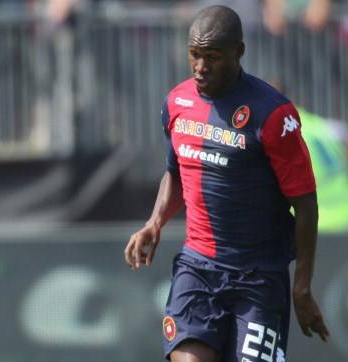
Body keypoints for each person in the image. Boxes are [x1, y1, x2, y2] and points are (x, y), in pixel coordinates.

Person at [124, 5, 329, 362]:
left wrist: (302, 285)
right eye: (195, 55)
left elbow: (306, 203)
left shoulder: (272, 114)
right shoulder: (177, 102)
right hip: (198, 269)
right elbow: (176, 171)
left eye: (212, 57)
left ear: (239, 52)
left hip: (259, 278)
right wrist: (155, 222)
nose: (200, 67)